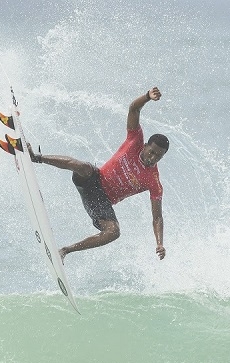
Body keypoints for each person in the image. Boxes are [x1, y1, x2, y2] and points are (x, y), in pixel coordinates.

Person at [29, 87, 169, 262]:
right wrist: (147, 97)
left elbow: (157, 217)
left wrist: (159, 243)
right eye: (152, 152)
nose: (152, 158)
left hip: (101, 201)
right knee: (82, 166)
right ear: (146, 145)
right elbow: (133, 109)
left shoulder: (153, 181)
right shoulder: (135, 140)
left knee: (113, 232)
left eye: (158, 157)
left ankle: (65, 251)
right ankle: (36, 157)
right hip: (92, 179)